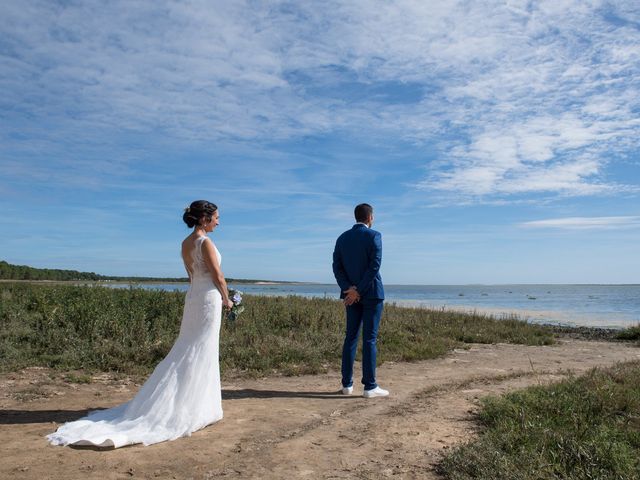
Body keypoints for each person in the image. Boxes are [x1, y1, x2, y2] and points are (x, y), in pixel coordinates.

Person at [47, 200, 233, 448]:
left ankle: (193, 403)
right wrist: (227, 298)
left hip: (194, 297)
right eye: (216, 217)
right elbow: (218, 275)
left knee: (187, 347)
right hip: (208, 298)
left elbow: (192, 275)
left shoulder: (185, 244)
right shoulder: (205, 242)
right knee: (202, 349)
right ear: (204, 218)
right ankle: (194, 407)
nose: (219, 222)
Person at [332, 203, 388, 398]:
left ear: (355, 217)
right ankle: (370, 386)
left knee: (351, 337)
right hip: (371, 293)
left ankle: (347, 385)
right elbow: (374, 266)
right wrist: (359, 290)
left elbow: (336, 267)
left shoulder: (342, 238)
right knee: (369, 339)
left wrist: (349, 289)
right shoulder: (374, 236)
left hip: (350, 295)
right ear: (370, 217)